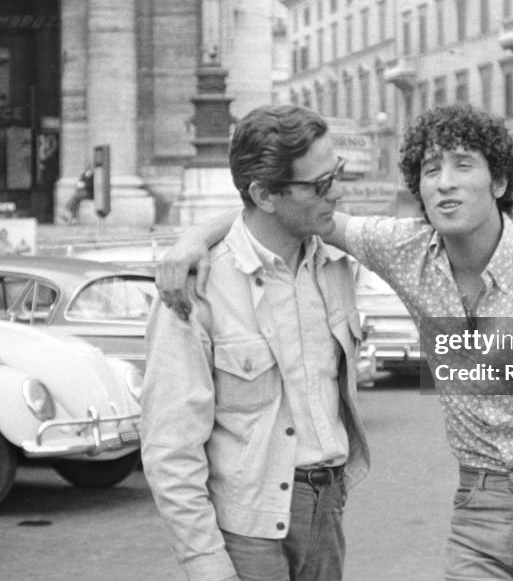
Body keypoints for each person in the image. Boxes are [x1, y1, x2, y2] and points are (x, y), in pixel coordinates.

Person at [159, 105, 513, 581]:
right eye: (431, 171)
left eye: (463, 166)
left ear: (498, 180)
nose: (446, 185)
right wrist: (192, 239)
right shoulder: (405, 251)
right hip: (478, 503)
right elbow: (273, 212)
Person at [141, 105, 370, 581]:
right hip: (247, 530)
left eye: (338, 175)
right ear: (265, 194)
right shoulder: (195, 289)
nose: (340, 192)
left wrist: (199, 231)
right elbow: (170, 449)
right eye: (322, 184)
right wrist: (207, 565)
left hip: (326, 513)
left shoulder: (335, 263)